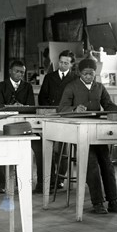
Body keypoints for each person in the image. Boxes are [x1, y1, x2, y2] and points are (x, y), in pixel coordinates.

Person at [58, 57, 117, 214]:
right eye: (85, 74)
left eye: (91, 74)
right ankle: (97, 202)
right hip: (80, 130)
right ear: (79, 73)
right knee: (91, 163)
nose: (88, 77)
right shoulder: (71, 87)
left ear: (95, 73)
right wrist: (74, 110)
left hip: (97, 130)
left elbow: (108, 105)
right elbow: (61, 108)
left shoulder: (99, 87)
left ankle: (113, 201)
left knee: (107, 163)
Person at [0, 60, 43, 193]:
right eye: (17, 71)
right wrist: (11, 108)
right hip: (5, 124)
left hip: (23, 125)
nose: (19, 74)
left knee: (39, 147)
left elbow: (32, 108)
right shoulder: (0, 86)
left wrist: (22, 108)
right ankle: (4, 183)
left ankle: (41, 183)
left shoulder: (27, 87)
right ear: (10, 71)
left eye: (22, 72)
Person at [38, 50, 79, 189]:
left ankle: (60, 178)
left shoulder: (75, 78)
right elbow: (42, 96)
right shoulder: (49, 77)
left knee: (62, 149)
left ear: (71, 64)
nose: (62, 65)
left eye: (66, 63)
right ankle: (50, 178)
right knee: (49, 147)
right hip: (50, 115)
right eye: (60, 62)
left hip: (67, 116)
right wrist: (48, 110)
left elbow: (76, 98)